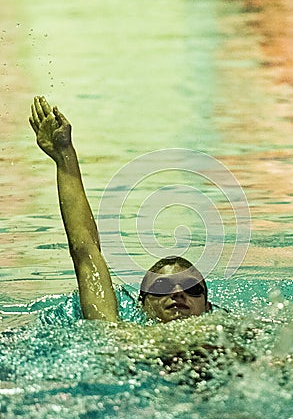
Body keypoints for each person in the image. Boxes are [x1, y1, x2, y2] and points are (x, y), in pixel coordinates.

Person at [29, 96, 212, 323]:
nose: (177, 293)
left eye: (192, 288)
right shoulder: (121, 335)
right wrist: (64, 155)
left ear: (207, 307)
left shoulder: (232, 334)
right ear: (142, 305)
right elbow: (85, 251)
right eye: (162, 286)